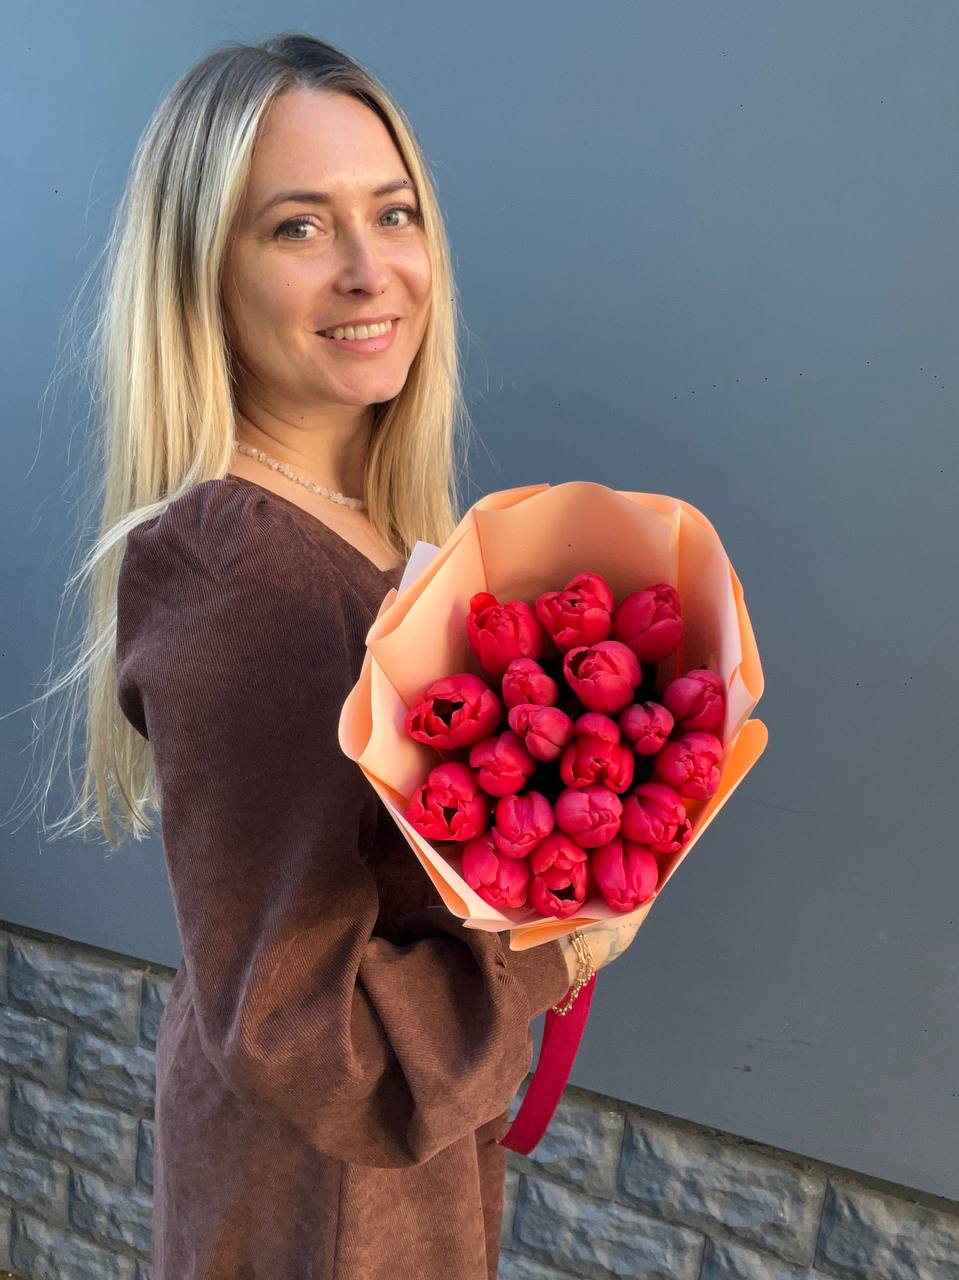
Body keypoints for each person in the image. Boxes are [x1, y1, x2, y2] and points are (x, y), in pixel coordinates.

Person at [107, 34, 643, 1280]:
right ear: (202, 272)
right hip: (331, 1215)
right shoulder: (240, 568)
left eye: (392, 213)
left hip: (354, 1188)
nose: (368, 268)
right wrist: (557, 944)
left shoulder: (364, 526)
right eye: (298, 227)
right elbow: (308, 1037)